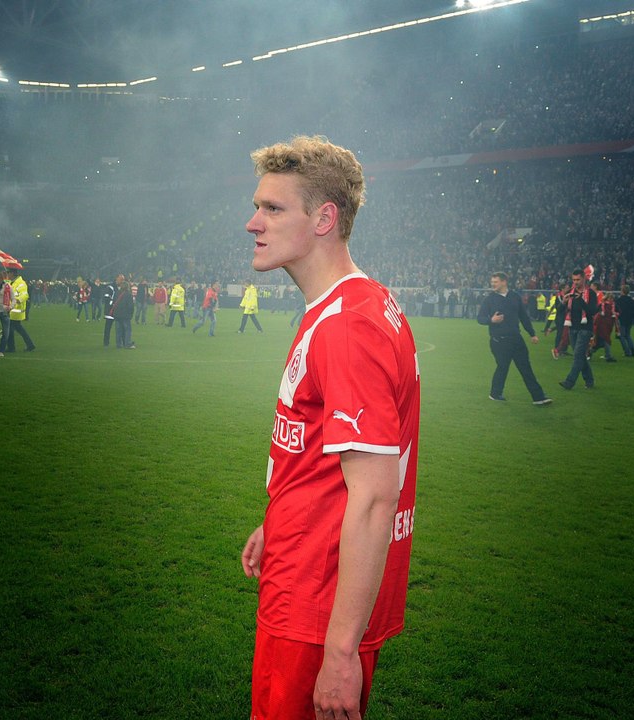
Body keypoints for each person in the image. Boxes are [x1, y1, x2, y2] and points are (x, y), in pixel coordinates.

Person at [239, 136, 419, 720]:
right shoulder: (355, 304)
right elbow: (323, 454)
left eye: (273, 208)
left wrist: (340, 653)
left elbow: (374, 497)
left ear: (323, 219)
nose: (253, 223)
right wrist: (279, 521)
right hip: (307, 567)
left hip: (316, 606)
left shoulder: (347, 327)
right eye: (257, 206)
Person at [476, 272, 552, 405]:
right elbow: (480, 318)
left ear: (504, 282)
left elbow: (523, 317)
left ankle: (538, 397)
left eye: (495, 282)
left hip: (516, 339)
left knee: (526, 368)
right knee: (503, 367)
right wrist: (491, 320)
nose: (493, 284)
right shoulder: (489, 299)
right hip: (499, 341)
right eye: (492, 282)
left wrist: (532, 334)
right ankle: (495, 393)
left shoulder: (515, 297)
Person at [557, 268, 598, 390]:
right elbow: (559, 311)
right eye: (574, 280)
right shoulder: (570, 292)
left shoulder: (591, 293)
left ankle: (569, 381)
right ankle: (589, 380)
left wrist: (580, 300)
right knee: (580, 356)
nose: (575, 282)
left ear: (584, 279)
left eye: (578, 280)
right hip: (572, 328)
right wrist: (563, 302)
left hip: (585, 328)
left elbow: (592, 311)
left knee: (578, 355)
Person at [3, 265, 36, 352]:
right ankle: (29, 345)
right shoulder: (12, 283)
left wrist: (17, 300)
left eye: (8, 273)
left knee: (11, 329)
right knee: (18, 328)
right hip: (12, 310)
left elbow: (25, 295)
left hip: (16, 311)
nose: (7, 274)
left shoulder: (21, 283)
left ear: (12, 273)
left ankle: (11, 347)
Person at [614, 285, 634, 357]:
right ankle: (633, 348)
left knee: (621, 336)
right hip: (629, 320)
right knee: (628, 335)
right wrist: (633, 318)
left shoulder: (619, 300)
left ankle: (627, 352)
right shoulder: (631, 300)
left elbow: (616, 310)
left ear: (622, 291)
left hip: (621, 320)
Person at [113, 278, 135, 349]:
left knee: (118, 330)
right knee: (127, 330)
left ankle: (118, 344)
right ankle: (127, 343)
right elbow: (130, 306)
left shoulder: (117, 293)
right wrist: (131, 314)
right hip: (125, 315)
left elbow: (114, 302)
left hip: (117, 314)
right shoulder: (128, 295)